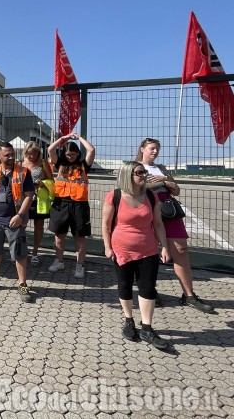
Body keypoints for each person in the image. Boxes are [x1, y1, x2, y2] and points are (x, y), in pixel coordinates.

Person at [136, 138, 213, 312]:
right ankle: (149, 292)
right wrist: (156, 182)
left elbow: (176, 190)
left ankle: (189, 295)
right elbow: (132, 187)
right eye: (152, 148)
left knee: (181, 250)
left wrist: (164, 179)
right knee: (148, 254)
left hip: (168, 211)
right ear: (142, 149)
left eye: (157, 149)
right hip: (146, 209)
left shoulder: (162, 168)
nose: (155, 152)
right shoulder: (134, 166)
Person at [102, 161, 171, 349]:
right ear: (128, 175)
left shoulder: (151, 195)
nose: (144, 175)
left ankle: (147, 328)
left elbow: (158, 224)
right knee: (124, 285)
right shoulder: (114, 196)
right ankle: (129, 320)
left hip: (148, 249)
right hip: (121, 249)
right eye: (139, 172)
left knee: (147, 288)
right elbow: (106, 225)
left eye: (144, 172)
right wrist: (107, 247)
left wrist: (164, 247)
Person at [0, 142, 34, 302]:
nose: (11, 157)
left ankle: (22, 283)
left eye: (12, 154)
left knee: (19, 252)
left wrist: (20, 215)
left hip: (14, 220)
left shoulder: (24, 172)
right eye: (7, 155)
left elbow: (29, 195)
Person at [47, 133, 95, 278]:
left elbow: (91, 150)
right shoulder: (60, 164)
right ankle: (59, 261)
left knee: (79, 237)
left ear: (78, 153)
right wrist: (64, 139)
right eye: (68, 154)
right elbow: (50, 150)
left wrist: (79, 138)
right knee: (59, 235)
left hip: (79, 205)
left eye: (73, 154)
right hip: (61, 204)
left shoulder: (83, 165)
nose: (70, 157)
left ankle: (80, 265)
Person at [21, 142, 54, 266]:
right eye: (29, 154)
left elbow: (51, 180)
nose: (32, 157)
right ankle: (21, 251)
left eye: (34, 154)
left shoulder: (43, 163)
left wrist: (42, 183)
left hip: (38, 199)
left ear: (38, 153)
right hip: (24, 199)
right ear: (26, 153)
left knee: (38, 225)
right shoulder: (21, 163)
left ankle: (35, 252)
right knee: (21, 225)